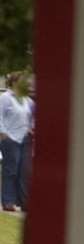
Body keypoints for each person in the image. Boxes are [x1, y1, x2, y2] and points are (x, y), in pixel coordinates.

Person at [0, 71, 33, 212]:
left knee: (24, 171)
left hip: (24, 138)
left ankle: (23, 203)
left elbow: (32, 115)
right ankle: (8, 202)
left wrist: (31, 128)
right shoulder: (6, 97)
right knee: (11, 171)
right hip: (10, 138)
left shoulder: (27, 99)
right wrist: (2, 132)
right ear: (14, 82)